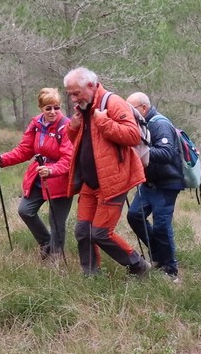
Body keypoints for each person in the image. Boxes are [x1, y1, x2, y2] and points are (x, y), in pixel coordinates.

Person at [62, 67, 149, 277]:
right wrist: (73, 128)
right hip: (89, 181)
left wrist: (103, 121)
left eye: (76, 93)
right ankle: (91, 275)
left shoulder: (112, 103)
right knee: (83, 231)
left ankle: (138, 266)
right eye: (70, 94)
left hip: (113, 181)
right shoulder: (83, 108)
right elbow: (86, 145)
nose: (73, 99)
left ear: (91, 86)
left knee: (100, 233)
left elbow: (132, 136)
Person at [0, 87, 74, 260]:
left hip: (60, 178)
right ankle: (46, 243)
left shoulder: (66, 126)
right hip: (39, 176)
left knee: (56, 221)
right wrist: (1, 159)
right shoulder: (36, 125)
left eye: (56, 107)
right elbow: (24, 150)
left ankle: (55, 259)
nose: (53, 112)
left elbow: (68, 159)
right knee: (25, 210)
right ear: (41, 108)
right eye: (48, 108)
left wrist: (52, 170)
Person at [125, 92, 185, 282]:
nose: (128, 113)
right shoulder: (140, 124)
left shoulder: (160, 124)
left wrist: (140, 152)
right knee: (134, 216)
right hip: (148, 183)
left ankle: (171, 269)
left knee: (161, 225)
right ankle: (158, 254)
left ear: (143, 108)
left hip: (167, 184)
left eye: (131, 109)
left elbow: (167, 153)